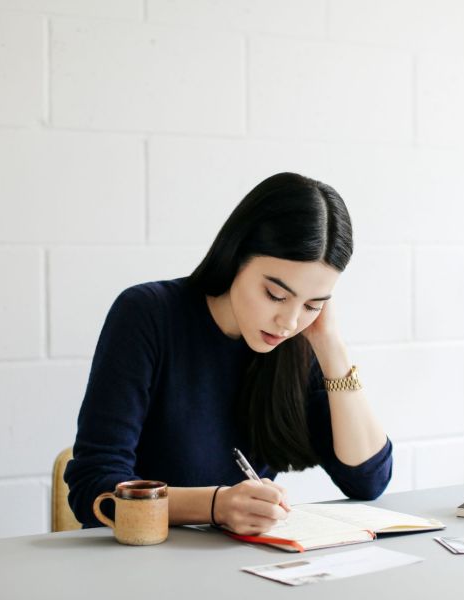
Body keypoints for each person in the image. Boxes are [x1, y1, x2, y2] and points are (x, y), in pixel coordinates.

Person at [65, 172, 392, 535]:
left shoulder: (296, 340)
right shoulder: (147, 314)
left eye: (314, 304)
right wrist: (217, 505)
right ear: (236, 256)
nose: (288, 322)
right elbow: (93, 490)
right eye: (275, 295)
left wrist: (331, 346)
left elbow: (367, 480)